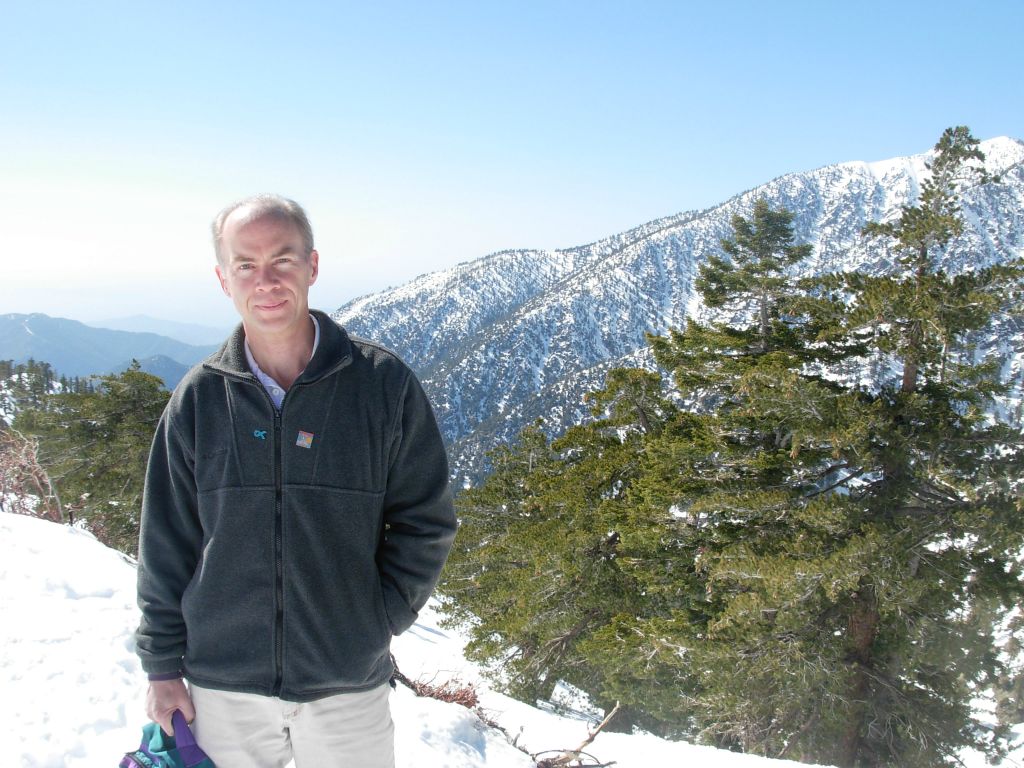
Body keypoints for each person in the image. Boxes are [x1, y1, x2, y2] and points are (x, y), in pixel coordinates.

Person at [134, 194, 457, 767]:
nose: (266, 280)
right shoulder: (200, 398)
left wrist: (375, 621)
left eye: (282, 260)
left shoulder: (381, 386)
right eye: (246, 265)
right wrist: (162, 666)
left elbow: (424, 520)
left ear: (312, 265)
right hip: (222, 686)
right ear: (222, 278)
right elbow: (166, 542)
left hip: (346, 686)